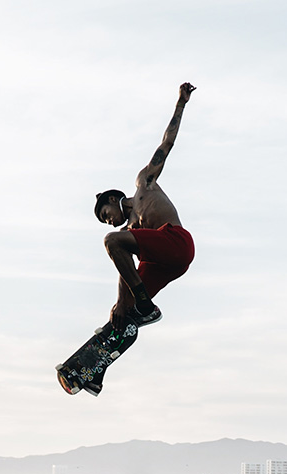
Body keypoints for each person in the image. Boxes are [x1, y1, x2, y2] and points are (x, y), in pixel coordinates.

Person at [94, 82, 197, 331]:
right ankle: (95, 364)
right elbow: (124, 270)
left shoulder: (144, 184)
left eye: (105, 215)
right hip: (164, 262)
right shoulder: (127, 232)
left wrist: (180, 104)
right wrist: (120, 302)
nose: (108, 221)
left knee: (112, 240)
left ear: (112, 199)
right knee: (125, 307)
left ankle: (142, 304)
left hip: (177, 242)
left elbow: (166, 144)